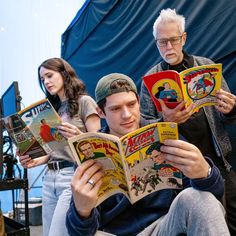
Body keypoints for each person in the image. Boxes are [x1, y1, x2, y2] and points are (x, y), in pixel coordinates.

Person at [66, 73, 230, 236]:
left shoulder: (164, 134)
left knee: (199, 198)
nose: (127, 115)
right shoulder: (89, 153)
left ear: (139, 102)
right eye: (115, 109)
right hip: (114, 232)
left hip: (163, 227)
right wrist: (82, 210)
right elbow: (79, 231)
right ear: (100, 112)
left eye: (131, 104)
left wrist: (205, 174)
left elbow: (213, 195)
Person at [139, 8, 236, 235]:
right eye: (162, 42)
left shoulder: (206, 65)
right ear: (156, 43)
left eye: (173, 40)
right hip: (178, 171)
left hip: (220, 162)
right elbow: (144, 129)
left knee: (231, 223)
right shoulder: (150, 80)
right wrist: (167, 121)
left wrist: (231, 108)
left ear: (183, 38)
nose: (168, 48)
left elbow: (228, 115)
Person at [18, 58, 101, 236]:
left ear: (64, 73)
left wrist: (78, 137)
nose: (46, 82)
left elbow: (99, 145)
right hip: (49, 179)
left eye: (49, 75)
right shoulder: (51, 110)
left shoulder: (85, 102)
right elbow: (54, 150)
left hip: (71, 176)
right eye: (42, 79)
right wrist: (35, 161)